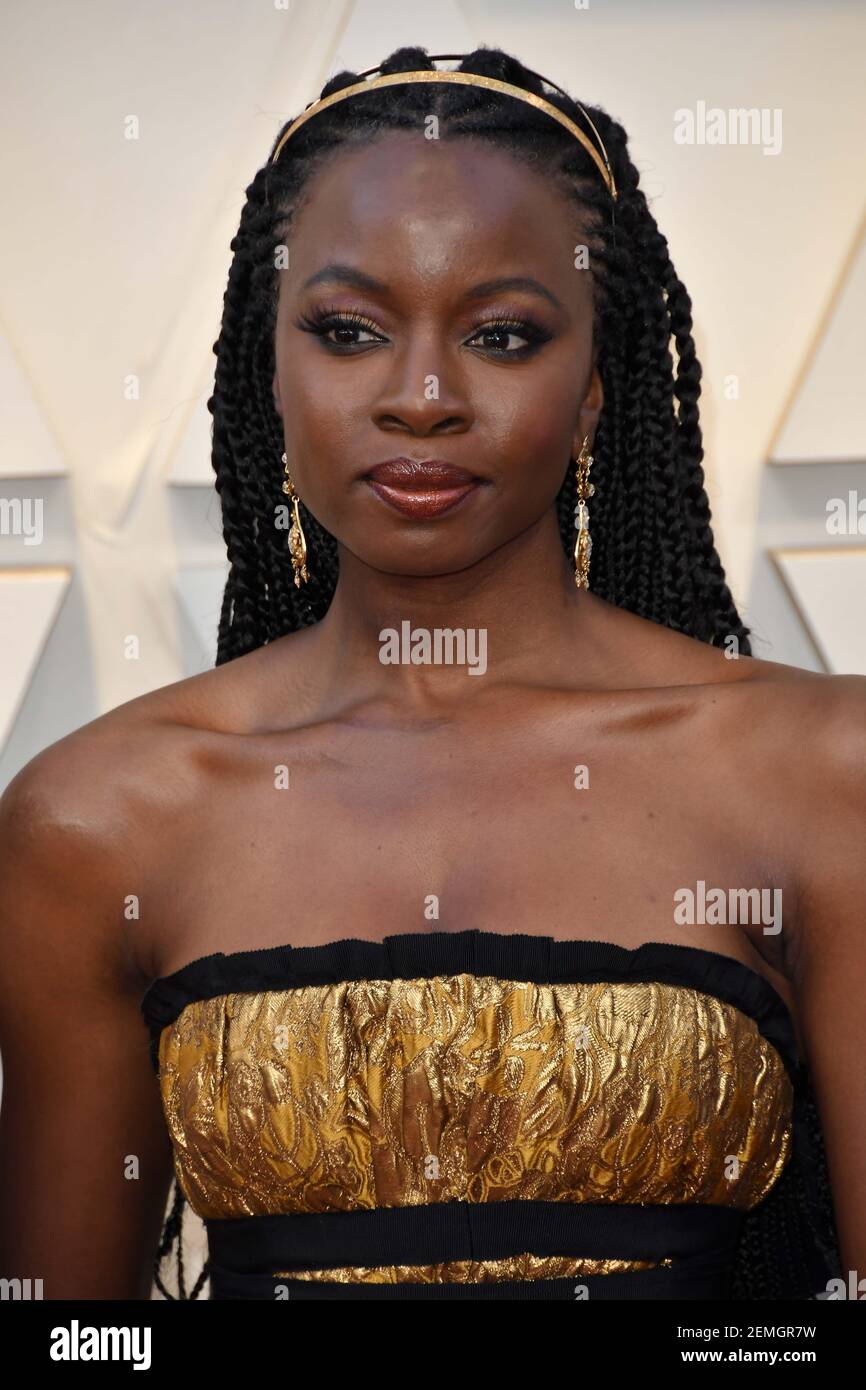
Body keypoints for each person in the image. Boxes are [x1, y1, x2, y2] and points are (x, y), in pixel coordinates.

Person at [0, 45, 861, 1302]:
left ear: (592, 395)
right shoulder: (96, 822)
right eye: (348, 331)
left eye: (502, 335)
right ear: (268, 372)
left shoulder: (819, 777)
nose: (420, 397)